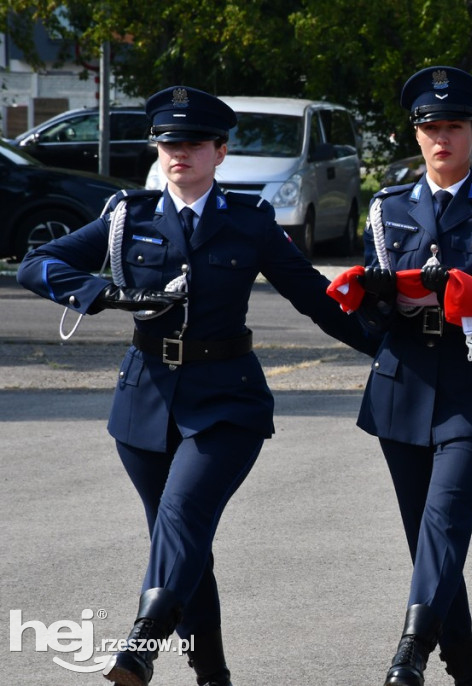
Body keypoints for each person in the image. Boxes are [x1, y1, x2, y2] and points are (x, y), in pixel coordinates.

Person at [17, 85, 378, 686]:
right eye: (167, 143)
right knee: (185, 543)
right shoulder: (127, 216)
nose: (177, 153)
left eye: (192, 143)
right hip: (144, 402)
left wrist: (387, 349)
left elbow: (315, 299)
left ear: (220, 151)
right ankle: (212, 672)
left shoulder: (250, 221)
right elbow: (37, 264)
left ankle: (141, 643)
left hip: (225, 400)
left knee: (183, 517)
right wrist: (103, 293)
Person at [352, 66, 472, 686]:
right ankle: (468, 667)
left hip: (471, 384)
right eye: (430, 127)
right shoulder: (388, 207)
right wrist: (379, 296)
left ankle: (411, 652)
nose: (440, 138)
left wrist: (453, 293)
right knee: (427, 540)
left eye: (453, 126)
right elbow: (368, 302)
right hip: (401, 385)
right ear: (418, 134)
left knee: (445, 522)